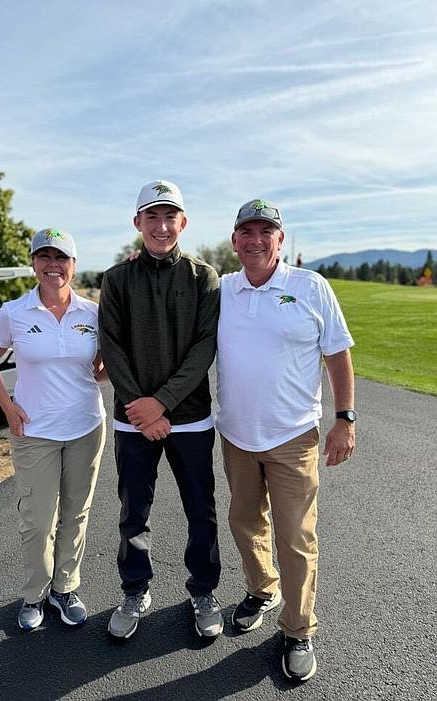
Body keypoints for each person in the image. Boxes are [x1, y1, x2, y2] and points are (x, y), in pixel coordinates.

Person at [215, 199, 356, 681]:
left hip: (293, 436)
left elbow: (337, 353)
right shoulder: (223, 290)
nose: (256, 240)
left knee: (295, 537)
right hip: (236, 435)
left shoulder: (309, 286)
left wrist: (345, 419)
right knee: (243, 520)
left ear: (280, 238)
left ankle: (298, 628)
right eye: (246, 232)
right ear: (235, 241)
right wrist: (138, 260)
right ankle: (261, 588)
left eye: (266, 231)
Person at [99, 180, 222, 640]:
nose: (162, 225)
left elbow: (203, 347)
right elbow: (111, 345)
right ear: (138, 223)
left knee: (200, 511)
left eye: (170, 216)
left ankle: (203, 591)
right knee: (134, 512)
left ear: (183, 223)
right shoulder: (116, 279)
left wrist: (162, 403)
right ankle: (135, 590)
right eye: (152, 216)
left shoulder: (203, 277)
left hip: (189, 417)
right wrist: (140, 408)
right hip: (132, 419)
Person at [0, 228, 106, 631]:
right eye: (44, 257)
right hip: (34, 431)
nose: (53, 265)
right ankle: (35, 593)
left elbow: (99, 369)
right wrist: (8, 406)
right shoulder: (14, 312)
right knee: (37, 519)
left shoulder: (92, 313)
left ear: (73, 264)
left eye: (61, 257)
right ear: (33, 263)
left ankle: (64, 588)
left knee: (76, 512)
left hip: (86, 426)